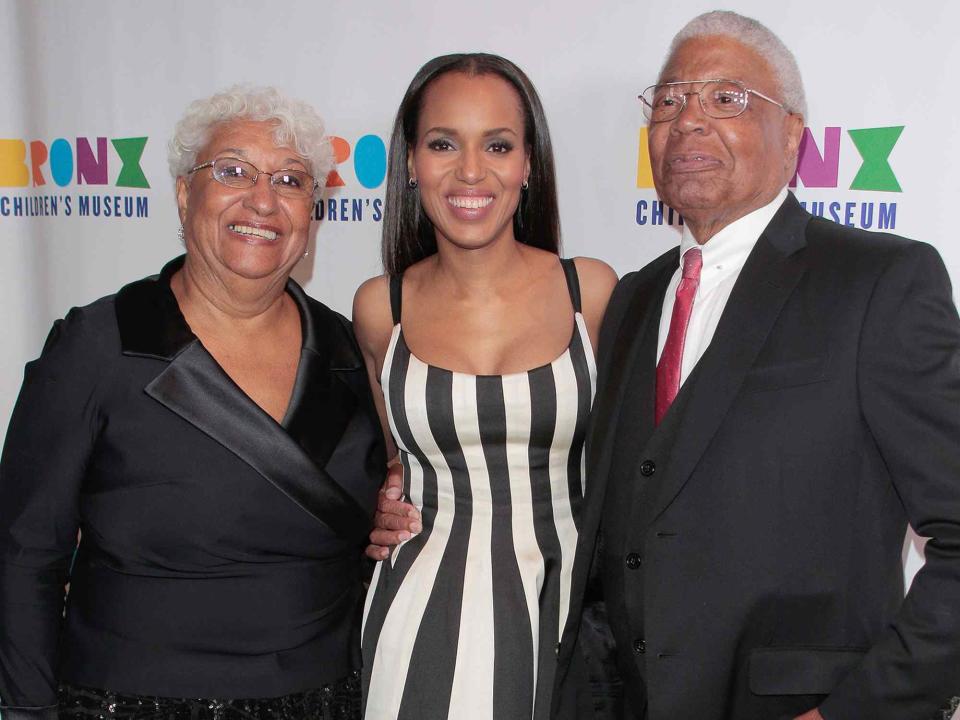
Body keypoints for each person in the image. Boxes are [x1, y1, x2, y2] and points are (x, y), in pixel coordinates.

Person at [548, 11, 960, 720]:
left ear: (794, 134)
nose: (690, 120)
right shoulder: (634, 298)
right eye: (670, 99)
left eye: (726, 98)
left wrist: (855, 712)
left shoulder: (879, 282)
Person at [0, 86, 384, 720]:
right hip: (126, 703)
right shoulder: (100, 345)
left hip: (326, 700)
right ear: (184, 192)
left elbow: (381, 508)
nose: (263, 200)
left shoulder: (350, 351)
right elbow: (24, 555)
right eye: (231, 171)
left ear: (312, 212)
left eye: (290, 180)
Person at [352, 53, 618, 720]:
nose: (470, 171)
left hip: (567, 625)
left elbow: (634, 466)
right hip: (419, 621)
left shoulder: (593, 291)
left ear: (528, 164)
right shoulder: (382, 309)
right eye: (443, 143)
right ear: (411, 162)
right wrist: (382, 500)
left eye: (497, 144)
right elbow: (393, 461)